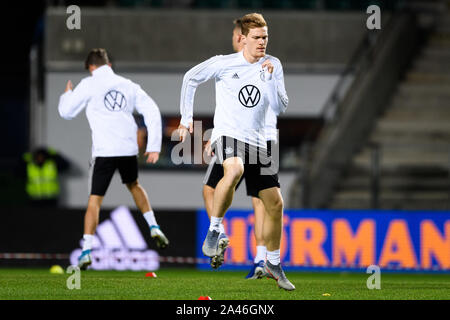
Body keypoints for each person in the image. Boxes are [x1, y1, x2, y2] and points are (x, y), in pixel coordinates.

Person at [178, 13, 294, 290]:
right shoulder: (223, 64)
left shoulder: (273, 65)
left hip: (259, 141)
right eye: (256, 37)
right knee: (234, 169)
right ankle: (215, 229)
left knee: (275, 204)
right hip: (228, 135)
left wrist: (268, 81)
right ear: (243, 39)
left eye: (265, 37)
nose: (262, 42)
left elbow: (280, 108)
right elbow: (190, 78)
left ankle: (273, 263)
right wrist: (185, 120)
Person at [58, 48, 169, 270]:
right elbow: (152, 110)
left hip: (104, 151)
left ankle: (87, 250)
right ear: (108, 65)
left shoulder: (89, 84)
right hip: (127, 149)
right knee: (134, 185)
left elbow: (67, 112)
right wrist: (154, 145)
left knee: (95, 200)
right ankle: (153, 225)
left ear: (91, 68)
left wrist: (67, 95)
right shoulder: (128, 85)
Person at [202, 18, 279, 280]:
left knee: (216, 186)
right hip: (264, 138)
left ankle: (219, 232)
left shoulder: (251, 65)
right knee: (262, 201)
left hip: (250, 137)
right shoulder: (261, 66)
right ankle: (261, 259)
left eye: (261, 38)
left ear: (240, 38)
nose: (259, 42)